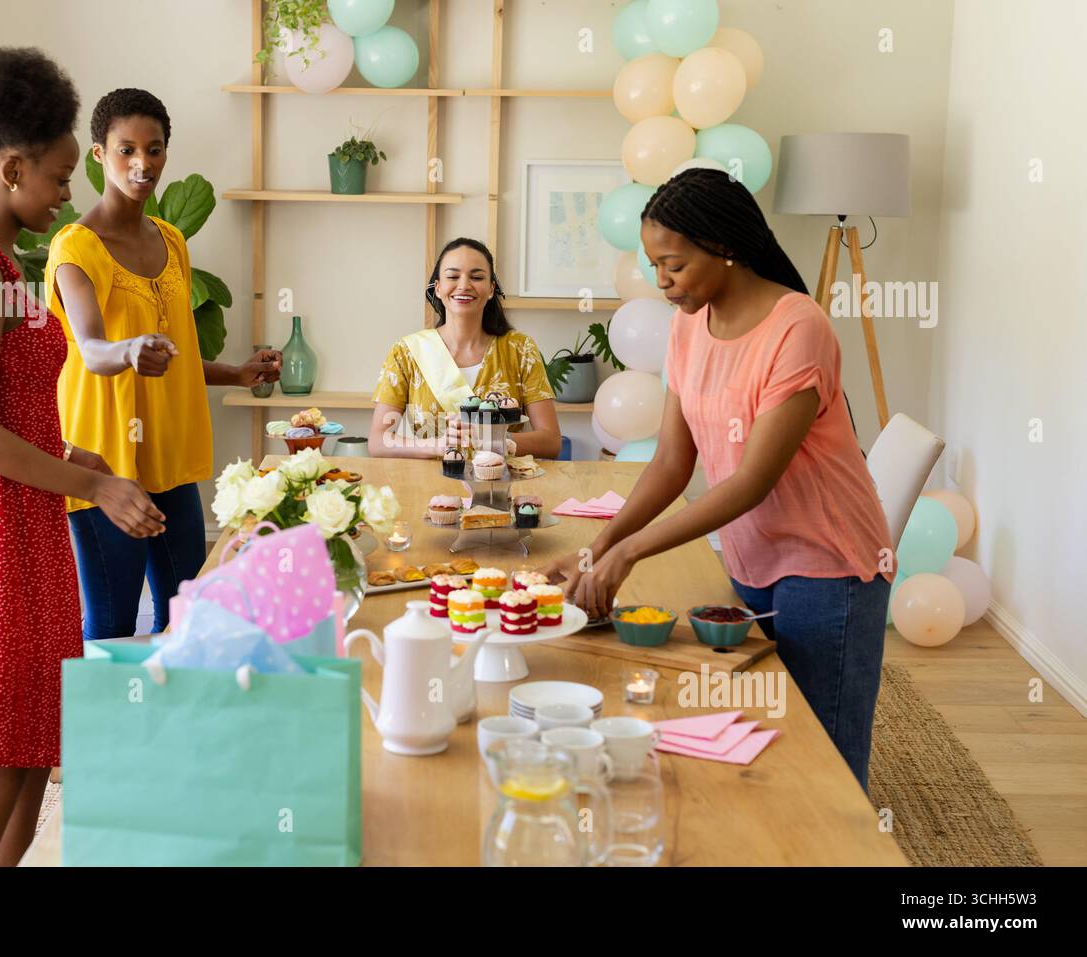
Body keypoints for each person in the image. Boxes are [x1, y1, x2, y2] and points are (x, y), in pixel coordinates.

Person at [544, 168, 893, 790]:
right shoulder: (688, 325)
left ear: (725, 246)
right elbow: (672, 464)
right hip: (751, 557)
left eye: (673, 264)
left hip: (828, 567)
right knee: (763, 744)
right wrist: (595, 550)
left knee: (828, 771)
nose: (662, 282)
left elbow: (752, 481)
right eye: (654, 266)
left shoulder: (798, 327)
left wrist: (629, 552)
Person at [0, 48, 165, 866]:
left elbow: (15, 410)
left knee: (28, 732)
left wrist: (87, 458)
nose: (66, 192)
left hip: (27, 521)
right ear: (11, 168)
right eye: (57, 176)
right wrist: (92, 480)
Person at [47, 88, 281, 639]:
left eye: (154, 150)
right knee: (112, 621)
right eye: (126, 149)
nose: (142, 163)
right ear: (99, 154)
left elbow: (173, 355)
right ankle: (99, 727)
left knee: (187, 619)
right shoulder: (75, 248)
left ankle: (174, 725)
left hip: (172, 458)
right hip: (107, 463)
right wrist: (127, 351)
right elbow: (91, 348)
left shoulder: (172, 241)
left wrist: (235, 373)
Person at [369, 237, 561, 459]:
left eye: (476, 277)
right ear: (438, 288)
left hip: (500, 486)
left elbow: (551, 441)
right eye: (452, 276)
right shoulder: (406, 352)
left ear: (491, 289)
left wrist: (494, 440)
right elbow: (377, 441)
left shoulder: (520, 349)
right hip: (428, 488)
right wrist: (436, 445)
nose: (463, 285)